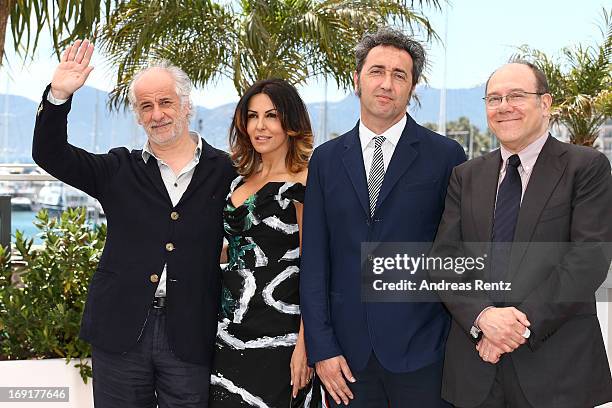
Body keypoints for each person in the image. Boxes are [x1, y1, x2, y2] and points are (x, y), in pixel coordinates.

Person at [32, 40, 236, 407]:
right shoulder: (117, 169)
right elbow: (49, 154)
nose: (157, 114)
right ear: (138, 116)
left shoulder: (226, 172)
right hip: (120, 331)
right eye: (146, 106)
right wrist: (59, 95)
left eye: (165, 102)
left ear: (187, 106)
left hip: (192, 332)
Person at [299, 27, 466, 407]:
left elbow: (458, 254)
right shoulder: (325, 160)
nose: (386, 83)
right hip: (345, 359)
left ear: (413, 87)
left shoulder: (446, 156)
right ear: (357, 79)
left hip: (425, 353)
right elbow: (314, 262)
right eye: (377, 71)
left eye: (399, 74)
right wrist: (321, 348)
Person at [431, 61, 612, 407]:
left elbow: (587, 260)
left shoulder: (585, 167)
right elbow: (445, 260)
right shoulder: (465, 176)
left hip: (557, 370)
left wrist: (513, 329)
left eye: (516, 96)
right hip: (475, 372)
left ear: (545, 104)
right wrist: (483, 318)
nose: (504, 107)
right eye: (494, 99)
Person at [209, 78, 321, 407]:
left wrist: (305, 346)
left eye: (271, 116)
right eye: (252, 116)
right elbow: (236, 248)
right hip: (228, 330)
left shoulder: (304, 183)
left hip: (280, 336)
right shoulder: (238, 181)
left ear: (290, 122)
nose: (260, 126)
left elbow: (314, 268)